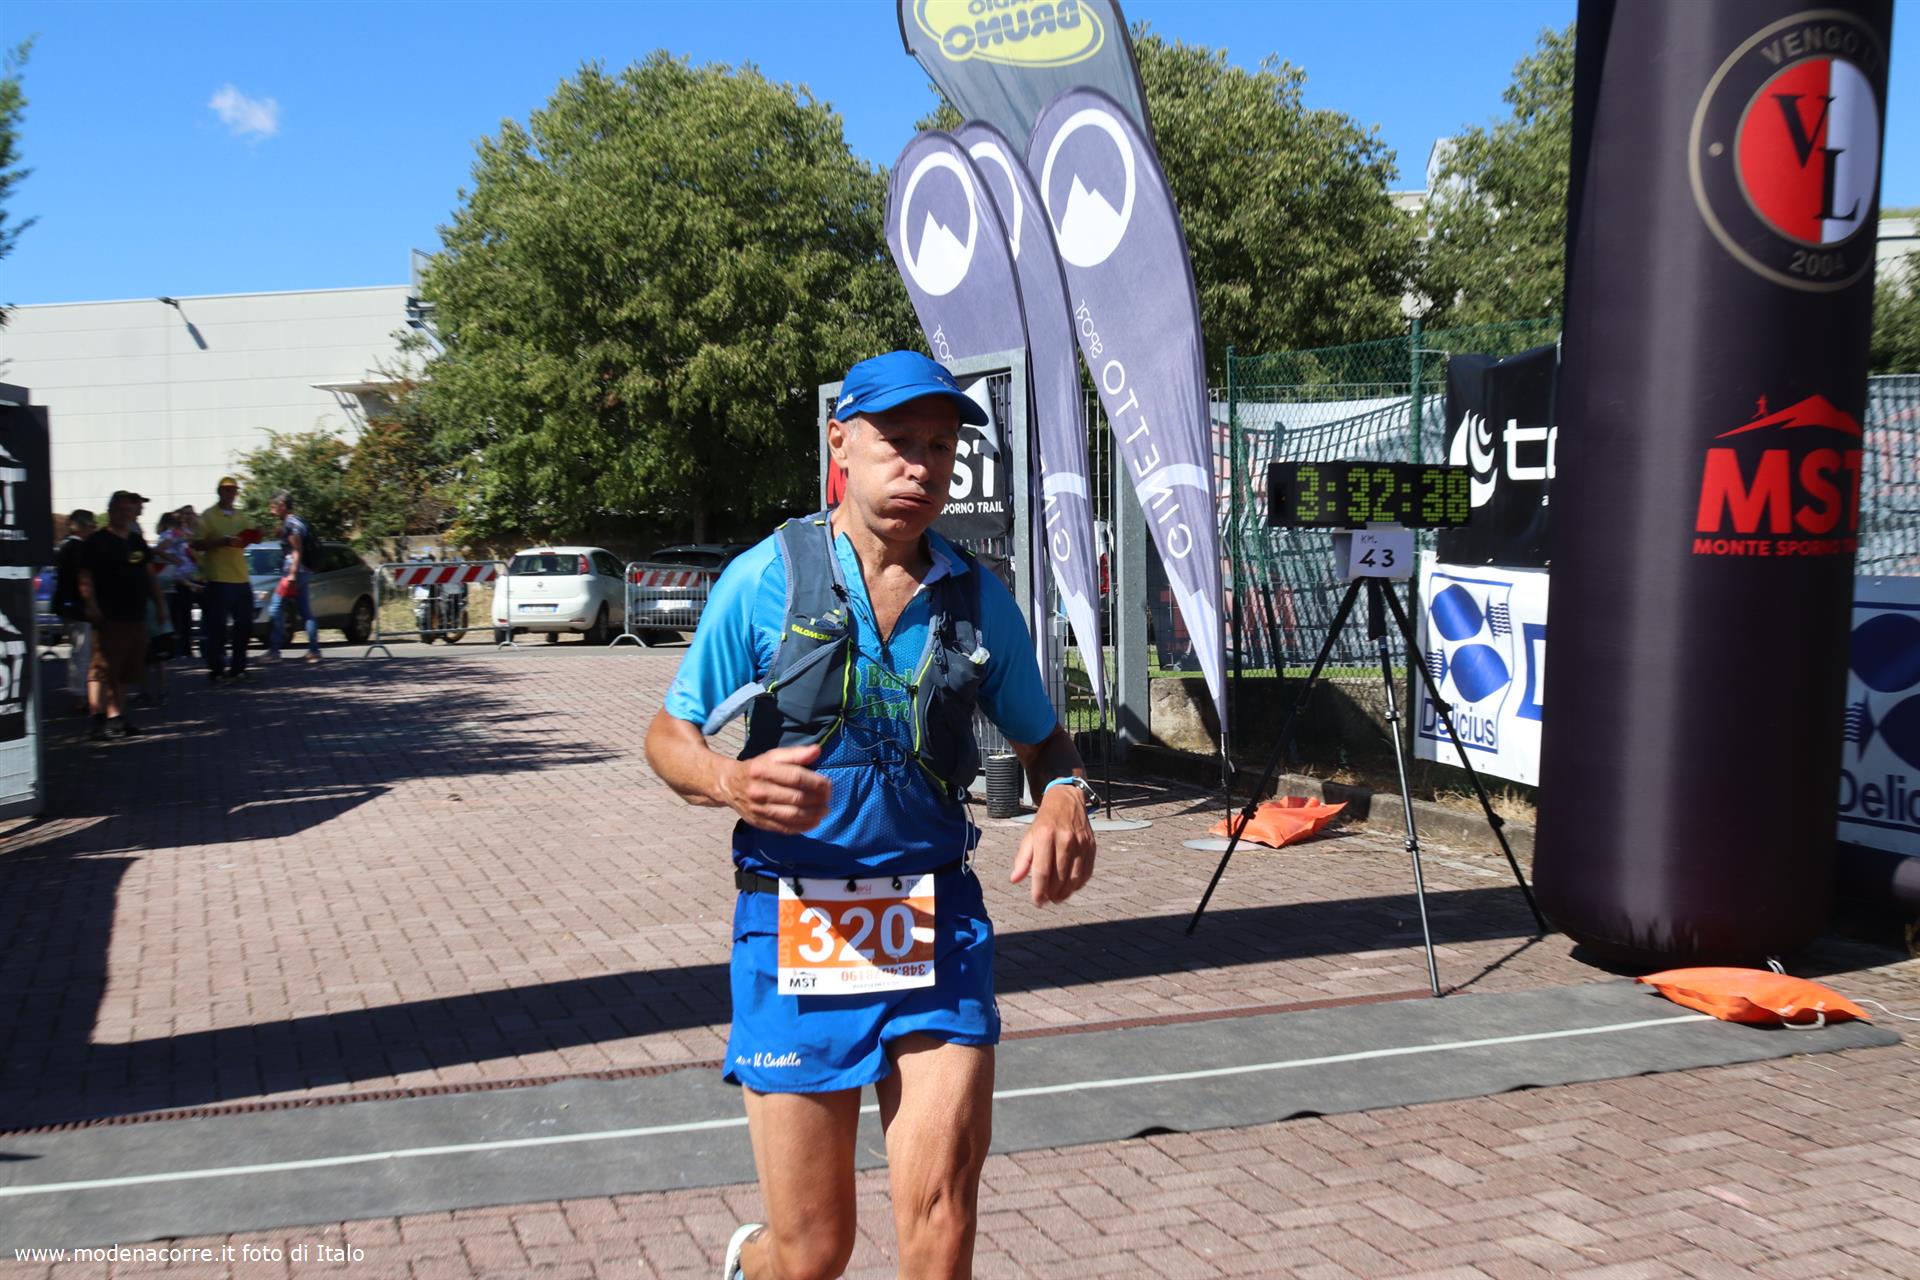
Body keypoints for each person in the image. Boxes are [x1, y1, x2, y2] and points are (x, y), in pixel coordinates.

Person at [644, 352, 1098, 1280]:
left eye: (941, 447)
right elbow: (668, 734)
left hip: (934, 921)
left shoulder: (977, 599)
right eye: (898, 442)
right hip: (794, 921)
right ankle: (752, 1263)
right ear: (841, 444)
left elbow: (1048, 745)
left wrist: (1065, 796)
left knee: (941, 1222)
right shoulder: (766, 580)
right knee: (814, 1253)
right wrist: (728, 782)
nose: (922, 466)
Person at [80, 490, 164, 740]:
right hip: (109, 615)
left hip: (136, 614)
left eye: (129, 510)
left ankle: (116, 716)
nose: (125, 514)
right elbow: (85, 575)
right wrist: (91, 605)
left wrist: (160, 605)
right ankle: (97, 719)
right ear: (110, 512)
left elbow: (150, 574)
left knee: (127, 668)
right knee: (102, 668)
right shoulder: (97, 541)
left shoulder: (136, 541)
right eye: (120, 510)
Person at [192, 476, 256, 683]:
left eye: (234, 490)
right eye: (227, 490)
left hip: (241, 578)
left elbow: (248, 537)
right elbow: (196, 544)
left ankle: (238, 668)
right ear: (219, 492)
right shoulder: (208, 516)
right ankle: (217, 669)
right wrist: (222, 541)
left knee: (244, 625)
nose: (231, 494)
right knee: (218, 626)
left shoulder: (240, 515)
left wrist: (256, 535)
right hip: (219, 578)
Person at [261, 491, 322, 664]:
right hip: (304, 572)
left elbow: (297, 550)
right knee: (305, 611)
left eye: (273, 506)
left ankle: (274, 652)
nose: (271, 510)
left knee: (275, 608)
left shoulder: (291, 524)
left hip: (293, 573)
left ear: (282, 506)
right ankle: (314, 651)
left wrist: (292, 575)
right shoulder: (297, 521)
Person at [52, 509, 97, 713]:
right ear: (82, 527)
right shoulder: (78, 548)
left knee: (79, 650)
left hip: (65, 605)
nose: (93, 529)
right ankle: (80, 695)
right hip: (77, 607)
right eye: (91, 525)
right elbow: (83, 579)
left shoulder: (65, 545)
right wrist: (90, 604)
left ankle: (81, 693)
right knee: (82, 651)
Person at [156, 507, 199, 658]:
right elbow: (159, 550)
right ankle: (176, 650)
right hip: (178, 579)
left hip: (194, 577)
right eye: (184, 515)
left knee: (187, 615)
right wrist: (173, 559)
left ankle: (187, 648)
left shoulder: (188, 532)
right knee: (178, 615)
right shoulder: (172, 533)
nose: (187, 518)